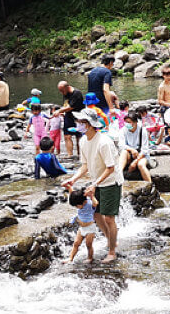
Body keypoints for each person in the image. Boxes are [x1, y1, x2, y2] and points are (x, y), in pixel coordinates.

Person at [63, 108, 124, 263]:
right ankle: (111, 240)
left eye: (80, 122)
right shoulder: (83, 141)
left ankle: (112, 251)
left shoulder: (104, 142)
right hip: (97, 182)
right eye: (78, 122)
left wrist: (95, 184)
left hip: (111, 182)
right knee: (96, 215)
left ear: (89, 124)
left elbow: (110, 168)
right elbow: (85, 166)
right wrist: (73, 179)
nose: (77, 124)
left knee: (109, 218)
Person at [55, 81, 87, 158]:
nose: (61, 92)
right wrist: (63, 112)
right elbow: (66, 105)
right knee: (67, 136)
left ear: (67, 87)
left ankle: (80, 154)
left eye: (62, 90)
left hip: (78, 117)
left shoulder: (76, 93)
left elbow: (71, 107)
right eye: (60, 91)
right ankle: (70, 154)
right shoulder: (65, 93)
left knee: (78, 136)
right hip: (68, 116)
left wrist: (59, 111)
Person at [119, 112, 154, 182]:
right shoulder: (123, 130)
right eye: (126, 122)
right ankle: (119, 174)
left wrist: (135, 162)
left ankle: (150, 184)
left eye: (129, 122)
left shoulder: (142, 130)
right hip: (129, 155)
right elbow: (121, 145)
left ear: (135, 123)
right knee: (124, 152)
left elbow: (145, 150)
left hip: (142, 156)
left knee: (141, 165)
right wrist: (131, 149)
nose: (127, 124)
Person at [67, 189, 99, 264]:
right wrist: (69, 187)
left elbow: (96, 203)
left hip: (90, 228)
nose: (76, 207)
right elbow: (74, 194)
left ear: (84, 202)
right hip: (81, 228)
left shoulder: (89, 204)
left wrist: (92, 196)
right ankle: (70, 259)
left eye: (77, 206)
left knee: (88, 245)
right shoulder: (79, 201)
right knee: (76, 243)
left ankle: (90, 258)